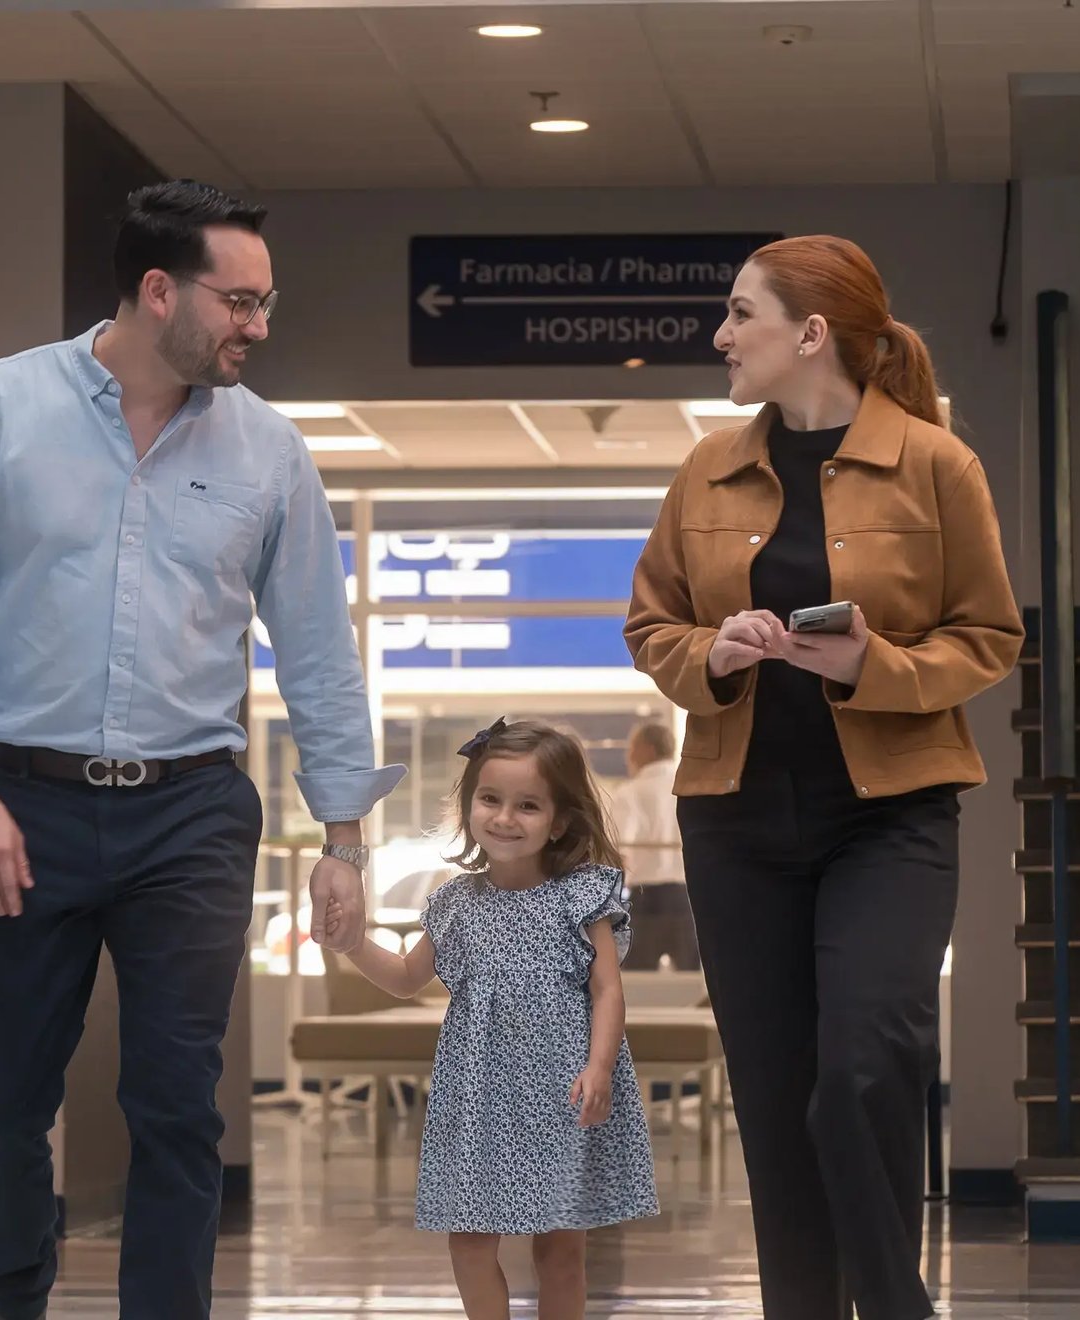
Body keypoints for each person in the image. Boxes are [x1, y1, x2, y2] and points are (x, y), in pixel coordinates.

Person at [0, 180, 405, 1320]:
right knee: (1, 1096)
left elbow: (318, 651)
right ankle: (14, 1293)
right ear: (158, 288)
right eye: (240, 301)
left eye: (267, 303)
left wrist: (345, 840)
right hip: (22, 801)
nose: (257, 327)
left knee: (177, 1102)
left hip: (191, 813)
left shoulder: (269, 451)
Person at [625, 235, 1023, 1320]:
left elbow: (987, 636)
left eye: (738, 314)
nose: (719, 334)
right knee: (775, 1096)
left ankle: (895, 1304)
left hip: (888, 818)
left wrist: (870, 665)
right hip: (734, 821)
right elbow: (650, 622)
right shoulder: (705, 465)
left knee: (859, 1067)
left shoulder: (937, 463)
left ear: (809, 334)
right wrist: (711, 652)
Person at [327, 717, 659, 1320]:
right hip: (478, 1098)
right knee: (471, 1241)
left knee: (561, 1248)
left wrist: (600, 1067)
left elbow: (608, 991)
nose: (505, 817)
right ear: (469, 804)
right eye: (491, 799)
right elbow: (404, 977)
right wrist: (352, 944)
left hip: (561, 1095)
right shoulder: (454, 901)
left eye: (528, 805)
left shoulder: (583, 894)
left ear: (559, 820)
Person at [608, 719, 698, 971]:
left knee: (640, 981)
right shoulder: (691, 786)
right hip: (687, 896)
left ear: (647, 749)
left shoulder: (631, 792)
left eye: (631, 748)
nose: (628, 757)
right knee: (692, 980)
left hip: (646, 899)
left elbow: (619, 850)